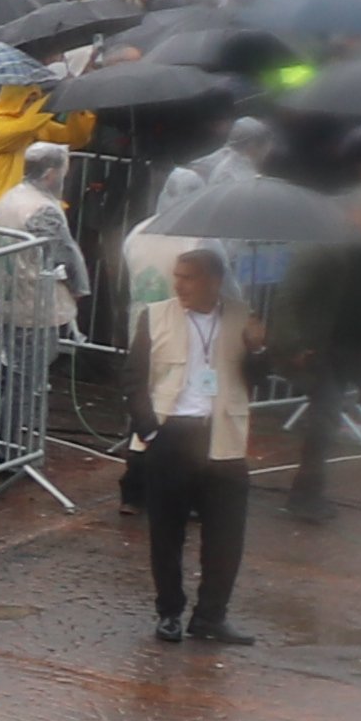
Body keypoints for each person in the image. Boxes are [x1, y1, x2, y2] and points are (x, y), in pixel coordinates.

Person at [135, 246, 259, 649]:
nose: (179, 284)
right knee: (166, 534)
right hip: (172, 434)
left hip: (223, 435)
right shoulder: (155, 316)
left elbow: (259, 377)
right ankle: (169, 612)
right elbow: (133, 378)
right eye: (177, 276)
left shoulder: (243, 316)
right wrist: (149, 431)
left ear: (214, 281)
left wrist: (259, 349)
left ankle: (211, 616)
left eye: (189, 277)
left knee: (226, 536)